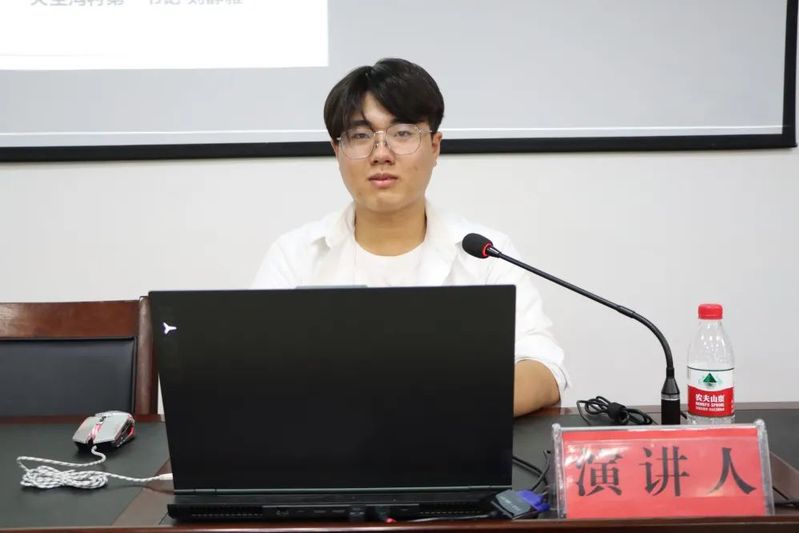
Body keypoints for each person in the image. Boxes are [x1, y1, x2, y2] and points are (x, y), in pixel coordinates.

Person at [252, 58, 567, 416]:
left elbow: (544, 368)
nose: (381, 154)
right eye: (360, 136)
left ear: (435, 146)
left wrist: (436, 409)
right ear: (337, 151)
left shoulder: (485, 253)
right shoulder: (295, 255)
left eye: (402, 133)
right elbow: (256, 374)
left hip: (454, 441)